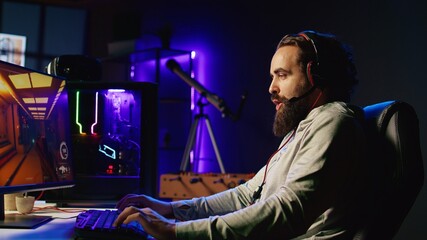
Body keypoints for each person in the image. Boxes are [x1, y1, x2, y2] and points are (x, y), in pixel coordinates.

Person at [113, 30, 370, 239]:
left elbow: (287, 212)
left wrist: (174, 231)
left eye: (282, 75)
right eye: (272, 77)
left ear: (315, 75)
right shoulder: (301, 130)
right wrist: (169, 209)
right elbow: (246, 195)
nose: (272, 88)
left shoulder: (334, 120)